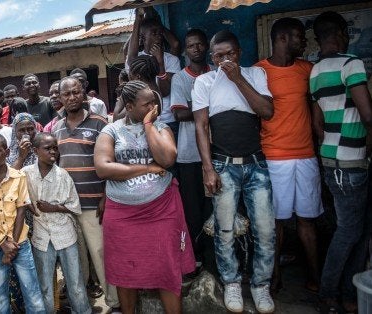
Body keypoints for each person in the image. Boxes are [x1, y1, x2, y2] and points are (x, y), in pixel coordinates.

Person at [192, 30, 275, 313]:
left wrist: (237, 78)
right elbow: (202, 127)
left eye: (230, 54)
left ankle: (261, 285)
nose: (225, 60)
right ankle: (231, 283)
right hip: (223, 165)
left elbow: (266, 111)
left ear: (239, 53)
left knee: (265, 230)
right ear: (212, 57)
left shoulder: (256, 74)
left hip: (256, 164)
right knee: (225, 230)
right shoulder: (204, 81)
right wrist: (207, 169)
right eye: (219, 56)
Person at [94, 80, 195, 314]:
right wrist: (147, 168)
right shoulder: (111, 130)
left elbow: (168, 159)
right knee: (124, 271)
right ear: (129, 107)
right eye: (147, 104)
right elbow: (103, 168)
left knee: (166, 267)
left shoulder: (161, 126)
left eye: (154, 102)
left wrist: (149, 123)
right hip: (122, 213)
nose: (154, 107)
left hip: (162, 209)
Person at [309, 12, 372, 314]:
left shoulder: (316, 71)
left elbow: (318, 123)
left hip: (329, 160)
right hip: (352, 159)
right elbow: (368, 115)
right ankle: (328, 292)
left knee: (354, 229)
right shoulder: (352, 64)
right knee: (349, 231)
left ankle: (347, 291)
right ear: (341, 33)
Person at [254, 17, 322, 295]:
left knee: (307, 220)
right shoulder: (259, 71)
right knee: (276, 223)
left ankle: (316, 277)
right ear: (282, 38)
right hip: (273, 157)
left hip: (306, 155)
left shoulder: (308, 69)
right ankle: (274, 276)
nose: (304, 41)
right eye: (298, 36)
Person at [51, 76, 121, 312]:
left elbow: (112, 161)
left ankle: (115, 302)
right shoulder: (56, 127)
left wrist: (105, 196)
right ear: (60, 98)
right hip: (68, 207)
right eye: (66, 94)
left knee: (101, 255)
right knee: (75, 261)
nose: (71, 98)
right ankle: (83, 305)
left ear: (84, 94)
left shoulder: (100, 123)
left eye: (75, 93)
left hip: (94, 204)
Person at [0, 133, 45, 314]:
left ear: (6, 152)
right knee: (0, 295)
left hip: (19, 243)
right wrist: (2, 242)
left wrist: (12, 244)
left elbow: (21, 210)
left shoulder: (18, 177)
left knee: (32, 292)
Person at [23, 132, 91, 314]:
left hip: (65, 234)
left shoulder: (63, 175)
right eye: (47, 148)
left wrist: (53, 208)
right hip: (41, 236)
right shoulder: (26, 174)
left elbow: (74, 207)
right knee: (44, 284)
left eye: (55, 148)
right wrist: (30, 206)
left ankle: (82, 311)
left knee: (75, 283)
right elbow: (16, 192)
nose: (53, 151)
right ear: (35, 151)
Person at [170, 29, 215, 274]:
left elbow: (191, 112)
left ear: (206, 46)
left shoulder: (217, 73)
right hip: (189, 154)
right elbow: (179, 113)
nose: (196, 49)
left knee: (217, 206)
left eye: (199, 44)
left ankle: (215, 256)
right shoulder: (180, 78)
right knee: (193, 210)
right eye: (191, 46)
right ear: (185, 50)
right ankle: (196, 257)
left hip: (217, 153)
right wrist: (211, 107)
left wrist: (194, 108)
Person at [127, 8, 181, 136]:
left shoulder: (172, 59)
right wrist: (138, 20)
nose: (159, 36)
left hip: (168, 120)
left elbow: (165, 91)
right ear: (143, 38)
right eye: (154, 33)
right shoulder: (138, 59)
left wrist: (160, 63)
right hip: (144, 120)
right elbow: (130, 58)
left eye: (160, 33)